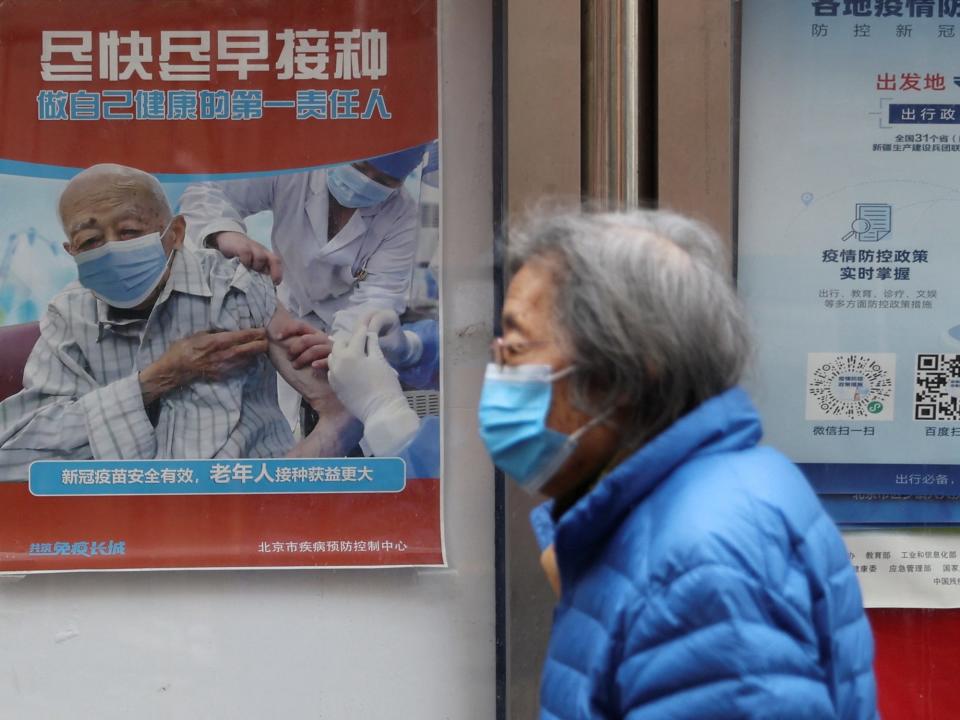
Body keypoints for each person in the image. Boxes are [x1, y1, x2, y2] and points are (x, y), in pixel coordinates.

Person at [477, 208, 878, 719]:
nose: (500, 372)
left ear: (625, 369)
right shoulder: (698, 503)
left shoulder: (701, 565)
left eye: (516, 345)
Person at [0, 164, 353, 479]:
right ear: (72, 252)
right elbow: (14, 451)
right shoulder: (70, 317)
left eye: (128, 232)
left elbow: (342, 414)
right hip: (124, 522)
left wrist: (281, 488)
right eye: (90, 240)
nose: (111, 249)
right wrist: (155, 380)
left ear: (175, 233)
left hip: (243, 512)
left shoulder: (235, 289)